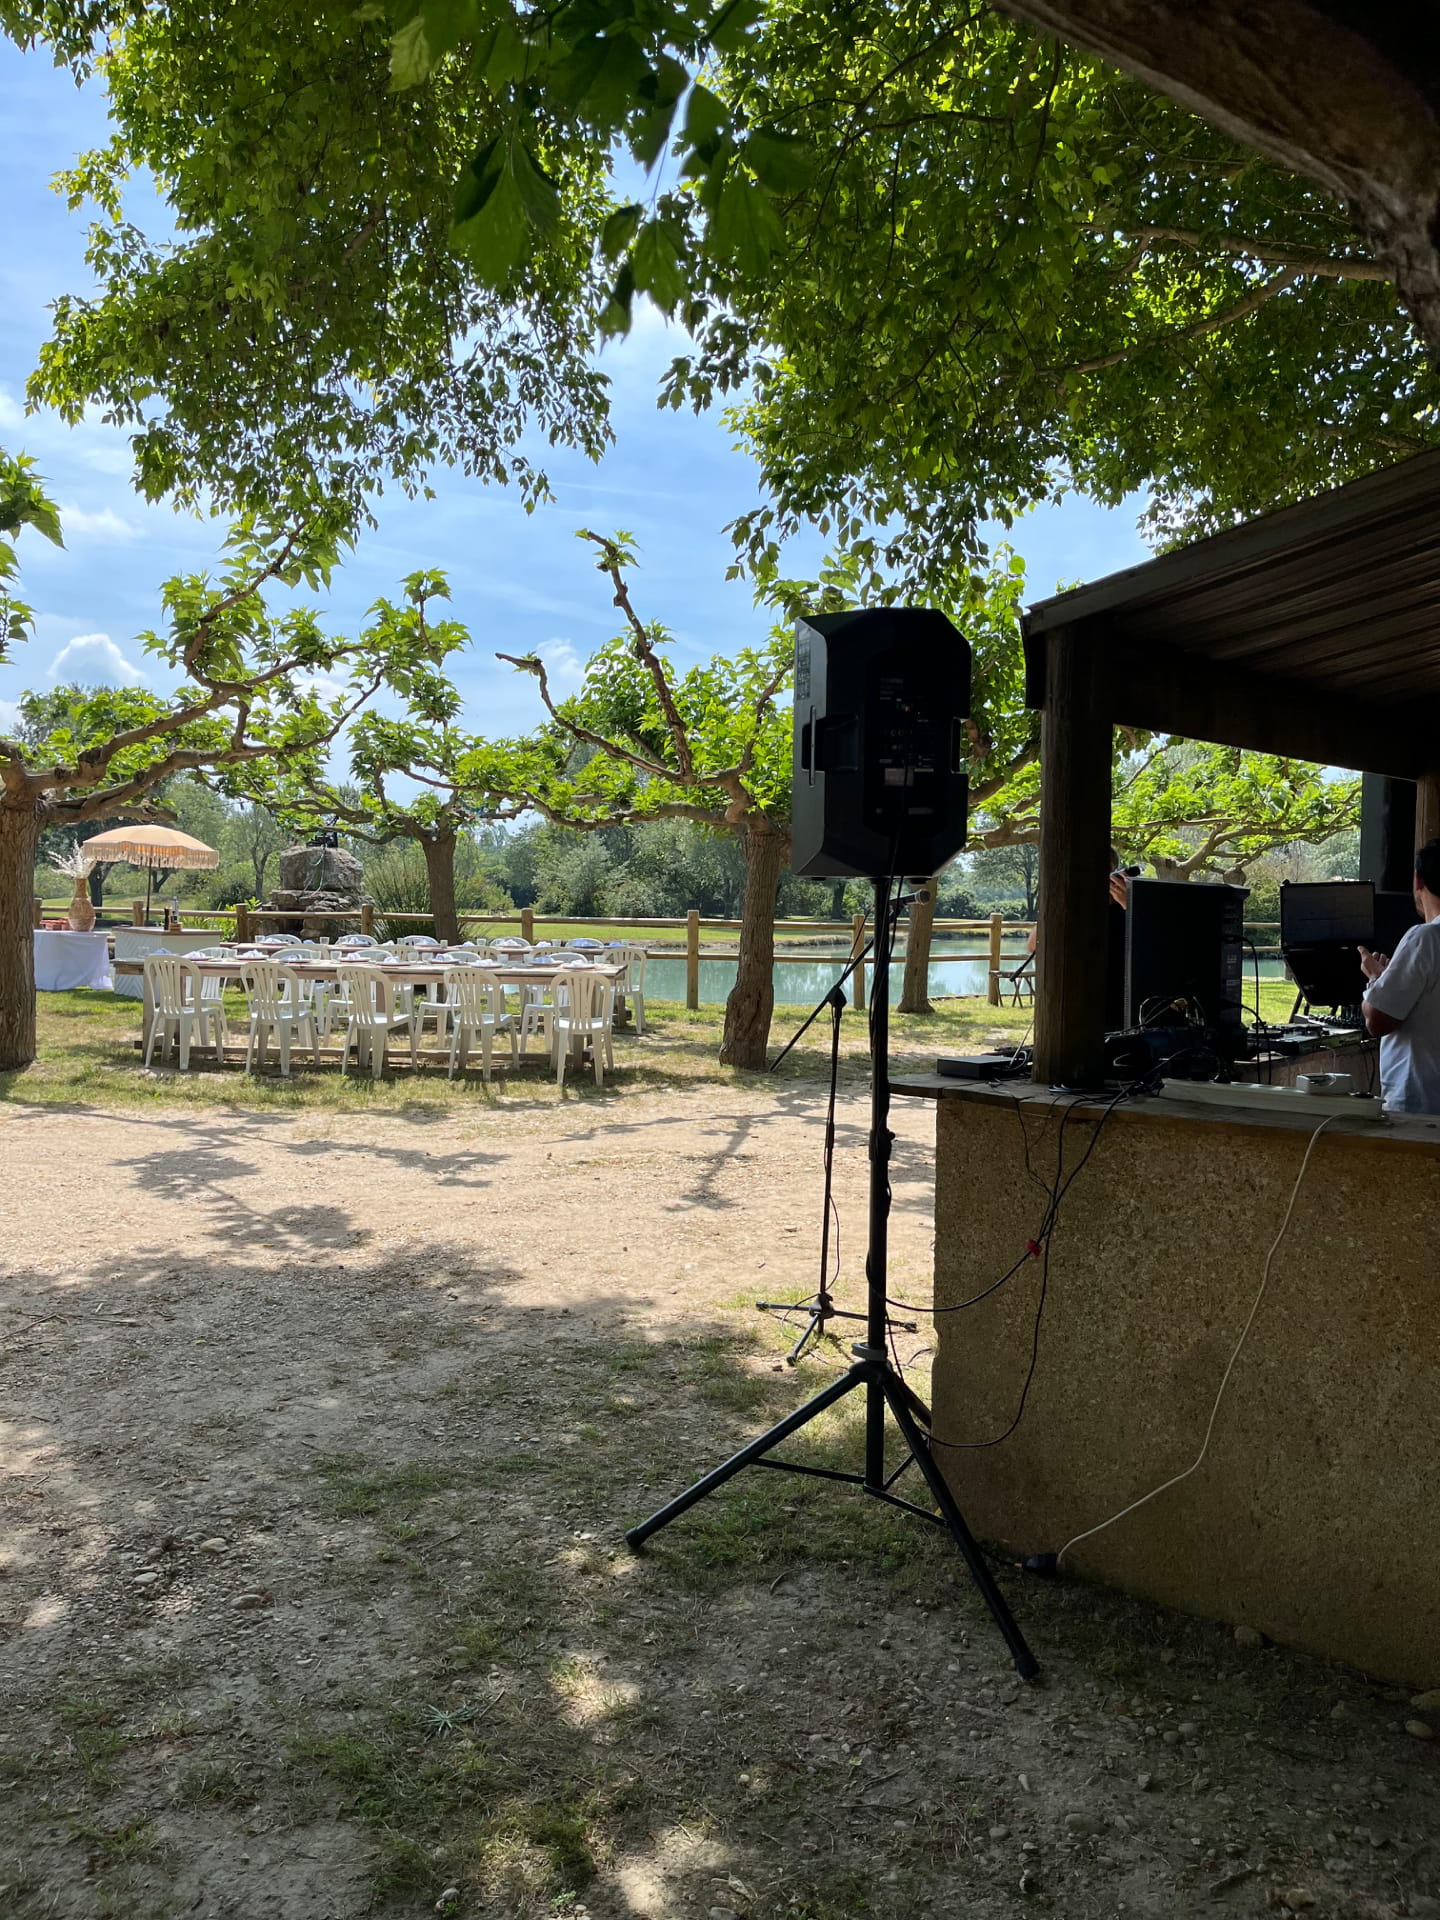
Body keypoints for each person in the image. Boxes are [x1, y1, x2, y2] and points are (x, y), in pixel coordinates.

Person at [1358, 838, 1440, 1113]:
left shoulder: (1425, 938)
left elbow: (1378, 1020)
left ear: (1418, 880)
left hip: (1420, 1105)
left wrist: (1375, 978)